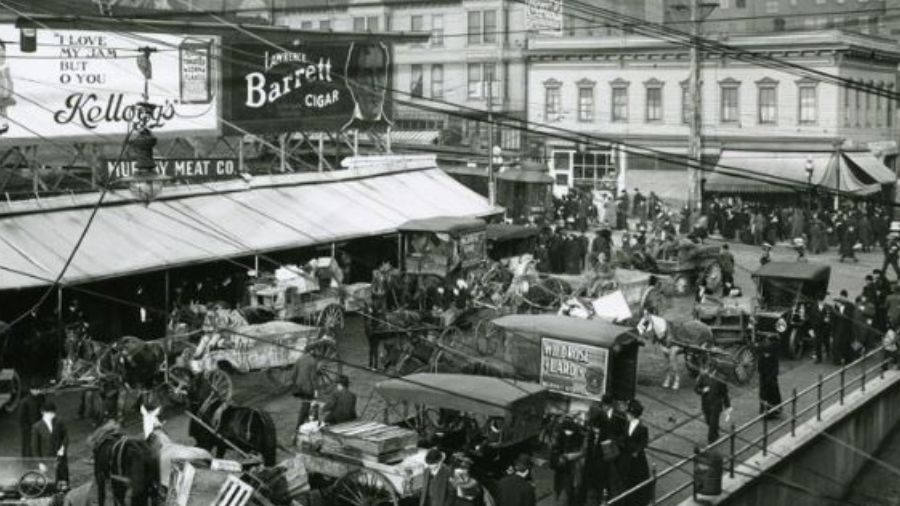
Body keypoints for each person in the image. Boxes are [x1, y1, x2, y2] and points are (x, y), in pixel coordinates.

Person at [618, 400, 651, 506]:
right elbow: (624, 437)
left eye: (628, 414)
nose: (627, 415)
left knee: (636, 479)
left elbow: (644, 443)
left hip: (637, 459)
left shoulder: (642, 428)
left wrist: (636, 451)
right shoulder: (627, 424)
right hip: (626, 456)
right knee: (625, 479)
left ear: (632, 414)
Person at [31, 400, 68, 484]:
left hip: (60, 459)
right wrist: (39, 462)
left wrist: (63, 448)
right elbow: (35, 447)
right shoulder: (37, 427)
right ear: (43, 412)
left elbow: (65, 437)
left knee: (63, 482)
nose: (52, 415)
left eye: (53, 413)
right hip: (47, 460)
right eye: (49, 413)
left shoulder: (59, 423)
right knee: (50, 483)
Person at [695, 363, 732, 444]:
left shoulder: (721, 379)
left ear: (715, 370)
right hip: (706, 405)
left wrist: (728, 406)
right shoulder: (703, 376)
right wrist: (702, 390)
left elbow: (724, 394)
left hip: (716, 405)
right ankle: (716, 432)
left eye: (711, 372)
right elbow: (696, 388)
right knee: (708, 421)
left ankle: (711, 441)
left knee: (712, 424)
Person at [291, 346, 318, 443]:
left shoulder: (299, 359)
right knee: (310, 408)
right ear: (312, 350)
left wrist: (297, 384)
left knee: (305, 406)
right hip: (308, 389)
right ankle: (302, 431)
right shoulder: (312, 360)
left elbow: (293, 375)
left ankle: (301, 430)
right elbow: (313, 378)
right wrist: (315, 390)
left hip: (300, 388)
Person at [756, 335, 782, 418]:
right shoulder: (761, 358)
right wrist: (763, 376)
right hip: (764, 379)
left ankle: (774, 411)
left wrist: (771, 377)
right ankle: (764, 411)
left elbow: (776, 368)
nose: (766, 354)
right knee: (763, 395)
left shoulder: (774, 357)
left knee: (773, 395)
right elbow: (760, 368)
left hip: (772, 380)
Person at [18, 381, 44, 457]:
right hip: (28, 428)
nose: (37, 391)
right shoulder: (25, 402)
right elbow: (22, 417)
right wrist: (27, 428)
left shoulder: (41, 398)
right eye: (36, 389)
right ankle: (27, 461)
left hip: (38, 425)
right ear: (31, 390)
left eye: (38, 389)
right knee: (28, 445)